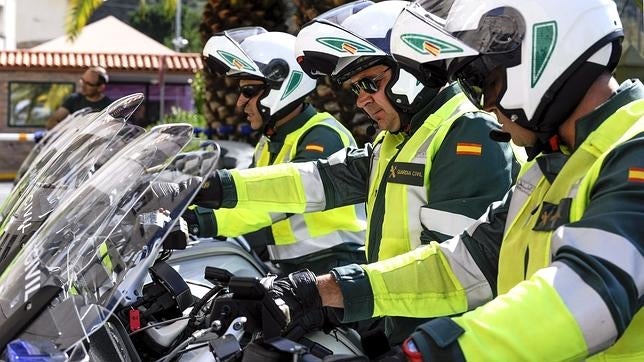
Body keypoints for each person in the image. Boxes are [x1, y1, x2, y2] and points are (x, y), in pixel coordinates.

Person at [222, 0, 643, 360]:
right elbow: (462, 263)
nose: (485, 101)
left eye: (488, 80)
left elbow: (590, 293)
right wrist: (323, 291)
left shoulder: (632, 147)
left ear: (543, 54)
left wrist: (433, 349)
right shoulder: (550, 166)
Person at [194, 1, 519, 342]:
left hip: (445, 338)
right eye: (354, 89)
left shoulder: (466, 134)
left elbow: (455, 270)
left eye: (369, 83)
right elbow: (315, 180)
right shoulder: (398, 139)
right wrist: (215, 187)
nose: (361, 101)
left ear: (412, 66)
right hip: (401, 323)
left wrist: (331, 291)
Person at [190, 28, 367, 275]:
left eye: (249, 91)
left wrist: (200, 221)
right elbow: (245, 195)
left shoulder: (322, 136)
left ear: (281, 82)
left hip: (336, 267)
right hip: (295, 269)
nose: (240, 102)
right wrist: (181, 210)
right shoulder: (269, 141)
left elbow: (274, 200)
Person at [46, 66, 112, 129]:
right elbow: (52, 122)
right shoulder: (74, 99)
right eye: (83, 81)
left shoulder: (109, 106)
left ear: (100, 87)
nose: (83, 86)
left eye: (88, 84)